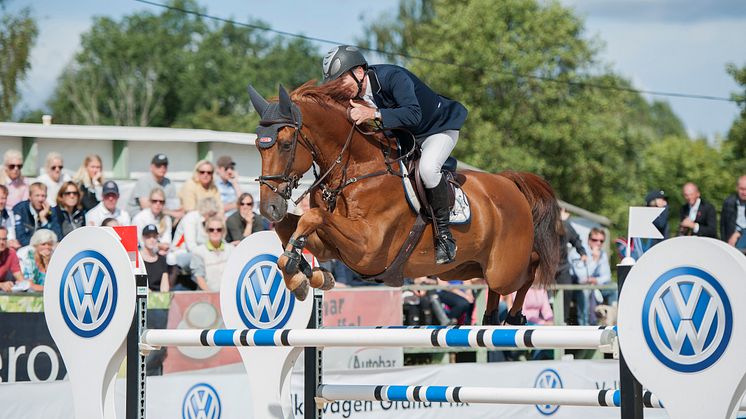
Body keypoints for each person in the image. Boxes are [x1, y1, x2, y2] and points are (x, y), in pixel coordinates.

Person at [321, 45, 468, 264]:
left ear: (359, 72)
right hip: (407, 137)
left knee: (428, 169)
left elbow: (413, 114)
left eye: (342, 81)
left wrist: (373, 113)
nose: (340, 88)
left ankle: (445, 237)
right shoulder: (352, 96)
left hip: (437, 129)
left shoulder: (393, 77)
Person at [571, 228, 612, 325]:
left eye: (601, 241)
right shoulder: (578, 252)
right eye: (595, 240)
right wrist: (595, 260)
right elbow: (582, 278)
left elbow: (607, 276)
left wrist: (596, 280)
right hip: (576, 287)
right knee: (585, 291)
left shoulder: (603, 254)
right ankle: (584, 326)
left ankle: (611, 322)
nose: (598, 243)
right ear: (589, 240)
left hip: (596, 286)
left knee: (614, 289)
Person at [126, 153, 183, 220]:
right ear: (151, 167)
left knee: (180, 217)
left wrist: (176, 212)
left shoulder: (169, 183)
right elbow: (146, 207)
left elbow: (174, 206)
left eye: (164, 165)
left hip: (161, 216)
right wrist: (171, 213)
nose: (162, 168)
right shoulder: (144, 181)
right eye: (158, 165)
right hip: (139, 217)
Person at [169, 197, 220, 269]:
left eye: (214, 214)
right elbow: (191, 247)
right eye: (211, 214)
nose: (213, 217)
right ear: (206, 211)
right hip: (181, 251)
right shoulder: (190, 218)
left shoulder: (208, 222)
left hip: (199, 253)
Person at [555, 207, 586, 324]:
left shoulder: (566, 226)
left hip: (562, 266)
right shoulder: (548, 224)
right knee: (546, 294)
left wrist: (582, 253)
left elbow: (576, 239)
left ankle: (564, 320)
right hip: (547, 267)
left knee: (567, 292)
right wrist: (562, 221)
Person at [190, 216, 234, 291]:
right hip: (207, 297)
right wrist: (211, 296)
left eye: (219, 229)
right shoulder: (198, 252)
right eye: (211, 230)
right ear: (206, 231)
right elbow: (199, 277)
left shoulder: (231, 249)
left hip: (228, 294)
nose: (215, 232)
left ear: (223, 231)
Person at [13, 182, 62, 247]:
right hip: (26, 248)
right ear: (30, 197)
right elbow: (21, 238)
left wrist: (44, 220)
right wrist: (38, 245)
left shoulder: (51, 211)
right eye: (37, 195)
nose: (40, 199)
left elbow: (57, 237)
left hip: (47, 248)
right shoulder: (20, 209)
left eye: (43, 196)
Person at [132, 187, 172, 253]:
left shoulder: (167, 219)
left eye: (161, 202)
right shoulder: (139, 218)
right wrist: (159, 246)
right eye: (154, 201)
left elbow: (167, 242)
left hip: (161, 252)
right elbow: (141, 243)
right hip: (142, 253)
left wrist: (161, 247)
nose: (158, 204)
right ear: (149, 202)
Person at [141, 224, 170, 292]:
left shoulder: (161, 259)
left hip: (158, 298)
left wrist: (162, 297)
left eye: (154, 237)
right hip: (142, 297)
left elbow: (164, 285)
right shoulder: (138, 259)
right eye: (148, 236)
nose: (152, 240)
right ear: (143, 238)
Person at [720, 175, 746, 251]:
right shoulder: (728, 203)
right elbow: (723, 226)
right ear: (737, 188)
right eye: (742, 189)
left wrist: (739, 233)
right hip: (731, 238)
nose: (744, 192)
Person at [0, 226, 23, 292]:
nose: (1, 242)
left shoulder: (11, 253)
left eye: (4, 239)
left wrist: (23, 284)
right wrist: (1, 285)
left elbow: (19, 277)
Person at [0, 185, 19, 249]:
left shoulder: (9, 213)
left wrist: (12, 242)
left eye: (3, 198)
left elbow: (11, 233)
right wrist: (7, 243)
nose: (1, 202)